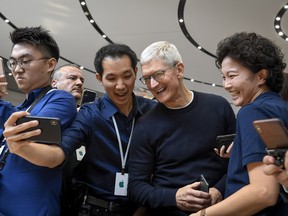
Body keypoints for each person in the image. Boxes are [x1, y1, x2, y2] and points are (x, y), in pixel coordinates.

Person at [2, 43, 157, 216]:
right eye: (111, 79)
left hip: (138, 208)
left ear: (136, 72)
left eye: (127, 76)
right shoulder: (90, 114)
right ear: (99, 78)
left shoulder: (153, 112)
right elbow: (60, 153)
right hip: (91, 208)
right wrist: (20, 147)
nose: (120, 86)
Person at [128, 41, 236, 215]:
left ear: (179, 69)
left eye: (158, 74)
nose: (153, 84)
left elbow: (238, 161)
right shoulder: (145, 125)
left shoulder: (218, 107)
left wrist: (219, 190)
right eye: (147, 78)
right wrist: (174, 196)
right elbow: (136, 187)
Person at [191, 32, 288, 216]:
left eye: (232, 76)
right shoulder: (280, 106)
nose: (226, 84)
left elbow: (264, 192)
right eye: (224, 77)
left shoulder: (252, 111)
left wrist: (202, 215)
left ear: (261, 76)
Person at [0, 26, 77, 216]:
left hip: (32, 209)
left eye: (25, 61)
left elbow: (27, 131)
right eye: (12, 63)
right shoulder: (20, 107)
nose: (17, 70)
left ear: (50, 65)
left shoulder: (59, 98)